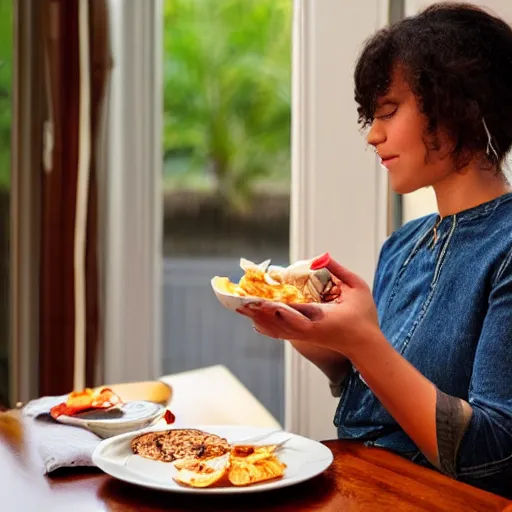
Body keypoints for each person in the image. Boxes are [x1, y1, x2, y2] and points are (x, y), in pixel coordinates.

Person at [237, 2, 512, 498]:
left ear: (459, 106)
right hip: (361, 488)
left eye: (388, 111)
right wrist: (326, 344)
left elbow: (490, 456)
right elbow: (379, 411)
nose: (373, 134)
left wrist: (363, 341)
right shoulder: (401, 246)